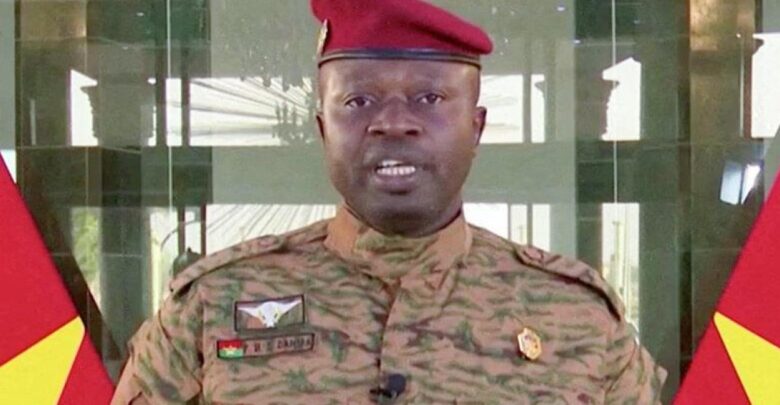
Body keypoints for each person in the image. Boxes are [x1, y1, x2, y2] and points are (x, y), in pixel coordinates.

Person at [112, 0, 666, 403]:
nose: (394, 122)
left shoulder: (577, 318)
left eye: (429, 97)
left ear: (476, 127)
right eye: (359, 100)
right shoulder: (212, 305)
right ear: (323, 129)